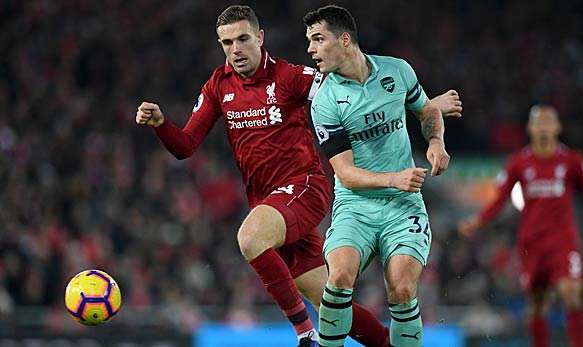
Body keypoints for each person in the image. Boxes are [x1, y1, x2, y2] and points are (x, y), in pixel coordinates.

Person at [136, 5, 461, 346]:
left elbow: (354, 91)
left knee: (250, 239)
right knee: (332, 303)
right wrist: (161, 124)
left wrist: (427, 106)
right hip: (270, 203)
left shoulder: (291, 76)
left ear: (260, 38)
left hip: (305, 186)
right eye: (227, 42)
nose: (236, 49)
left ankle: (306, 335)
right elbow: (185, 146)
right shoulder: (218, 85)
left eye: (243, 39)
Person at [304, 5, 455, 347]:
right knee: (339, 277)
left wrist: (435, 141)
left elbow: (426, 110)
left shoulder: (397, 70)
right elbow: (345, 173)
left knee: (402, 289)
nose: (310, 49)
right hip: (355, 205)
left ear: (344, 40)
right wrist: (393, 178)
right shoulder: (326, 101)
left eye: (317, 39)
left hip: (403, 207)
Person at [458, 105, 583, 347]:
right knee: (537, 305)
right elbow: (501, 197)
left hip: (563, 241)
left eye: (548, 122)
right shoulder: (519, 162)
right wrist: (479, 220)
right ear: (530, 128)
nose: (544, 126)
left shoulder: (572, 161)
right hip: (532, 242)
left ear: (557, 127)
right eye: (539, 122)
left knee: (572, 293)